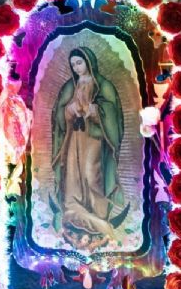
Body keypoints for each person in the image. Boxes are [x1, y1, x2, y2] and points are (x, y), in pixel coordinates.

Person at [50, 47, 128, 250]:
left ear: (89, 62)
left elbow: (113, 111)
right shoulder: (70, 85)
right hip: (73, 137)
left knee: (92, 174)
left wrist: (96, 111)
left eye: (79, 63)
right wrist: (69, 110)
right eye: (73, 64)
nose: (76, 68)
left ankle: (98, 215)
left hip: (94, 138)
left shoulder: (102, 85)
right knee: (73, 175)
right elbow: (58, 112)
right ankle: (74, 212)